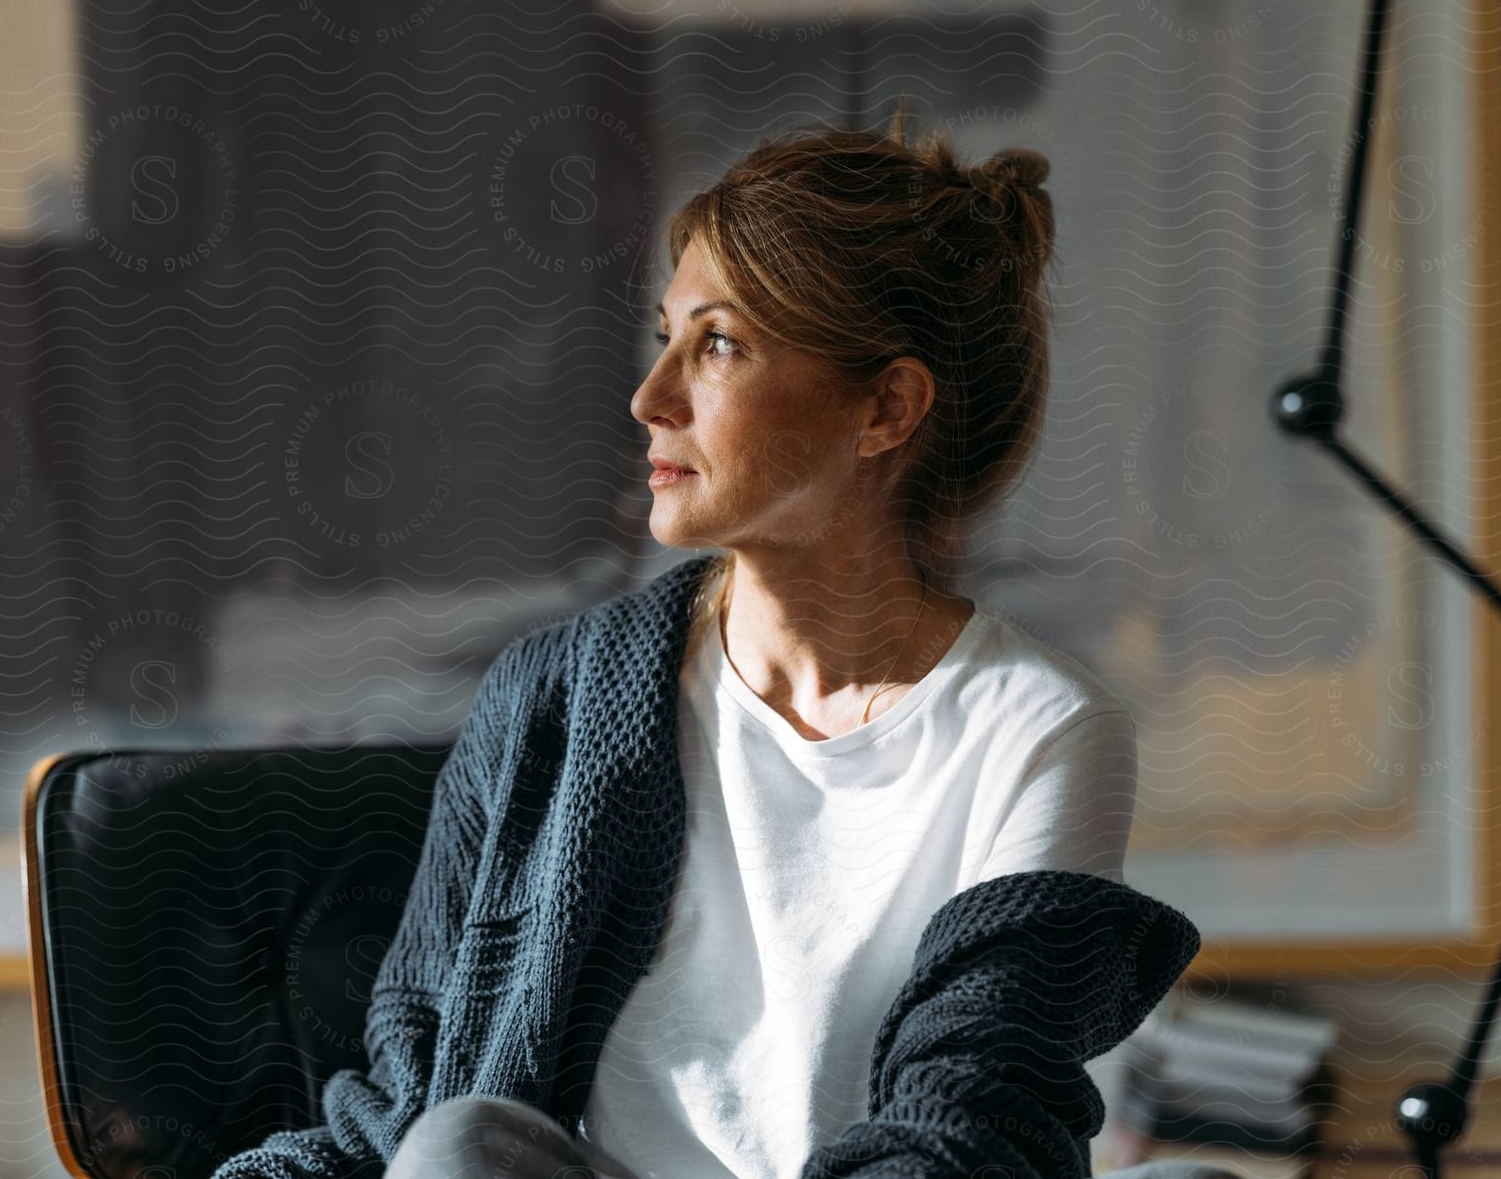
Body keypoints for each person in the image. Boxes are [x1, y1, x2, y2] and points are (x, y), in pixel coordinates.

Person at [214, 98, 1202, 1179]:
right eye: (664, 337)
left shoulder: (1039, 726)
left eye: (720, 344)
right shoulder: (552, 695)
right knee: (456, 1147)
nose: (651, 397)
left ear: (887, 409)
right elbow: (410, 1102)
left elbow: (969, 1123)